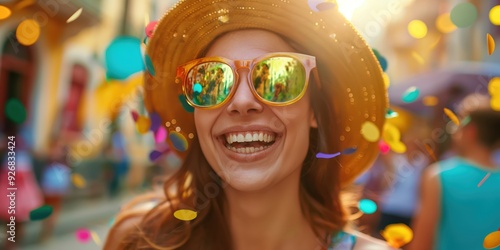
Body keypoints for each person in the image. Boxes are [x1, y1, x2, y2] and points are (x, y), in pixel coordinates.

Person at [105, 0, 393, 249]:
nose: (242, 101)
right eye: (211, 80)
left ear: (314, 111)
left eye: (279, 78)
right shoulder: (138, 240)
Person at [408, 94, 500, 250]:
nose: (454, 133)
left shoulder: (438, 176)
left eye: (457, 126)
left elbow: (421, 245)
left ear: (470, 131)